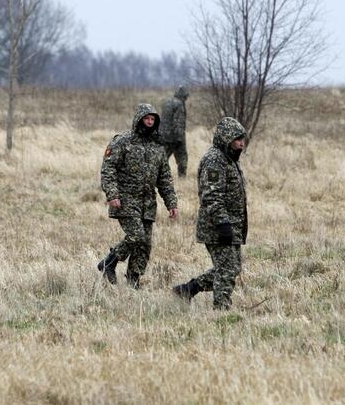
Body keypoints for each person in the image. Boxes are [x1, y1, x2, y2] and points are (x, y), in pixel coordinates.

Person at [97, 103, 178, 288]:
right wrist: (112, 194)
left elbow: (164, 178)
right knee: (136, 235)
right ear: (139, 119)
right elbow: (108, 168)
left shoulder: (158, 147)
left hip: (148, 203)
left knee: (144, 245)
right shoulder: (123, 141)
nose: (149, 122)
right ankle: (109, 262)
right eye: (146, 119)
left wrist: (171, 203)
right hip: (125, 199)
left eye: (152, 120)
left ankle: (133, 281)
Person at [173, 117, 248, 310]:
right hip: (217, 227)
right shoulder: (214, 160)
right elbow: (211, 196)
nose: (241, 143)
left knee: (232, 268)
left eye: (242, 139)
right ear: (226, 138)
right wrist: (223, 224)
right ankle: (221, 311)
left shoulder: (230, 159)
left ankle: (189, 289)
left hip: (231, 226)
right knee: (226, 270)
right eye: (237, 139)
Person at [160, 85, 189, 177]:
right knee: (182, 157)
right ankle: (182, 178)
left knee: (162, 158)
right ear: (183, 96)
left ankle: (158, 176)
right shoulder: (179, 105)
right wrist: (180, 138)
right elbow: (178, 122)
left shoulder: (167, 102)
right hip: (175, 137)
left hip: (164, 136)